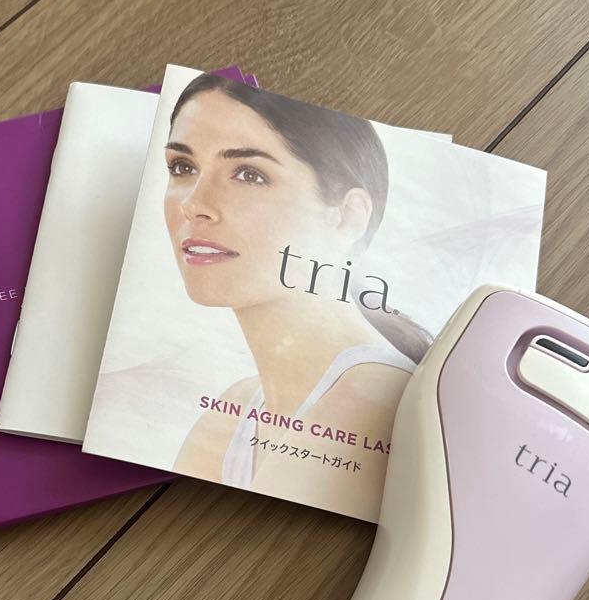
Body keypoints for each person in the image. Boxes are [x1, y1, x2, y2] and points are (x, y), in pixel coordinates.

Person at [163, 73, 431, 515]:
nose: (194, 203)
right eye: (182, 167)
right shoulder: (236, 409)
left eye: (248, 174)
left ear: (347, 217)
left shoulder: (371, 399)